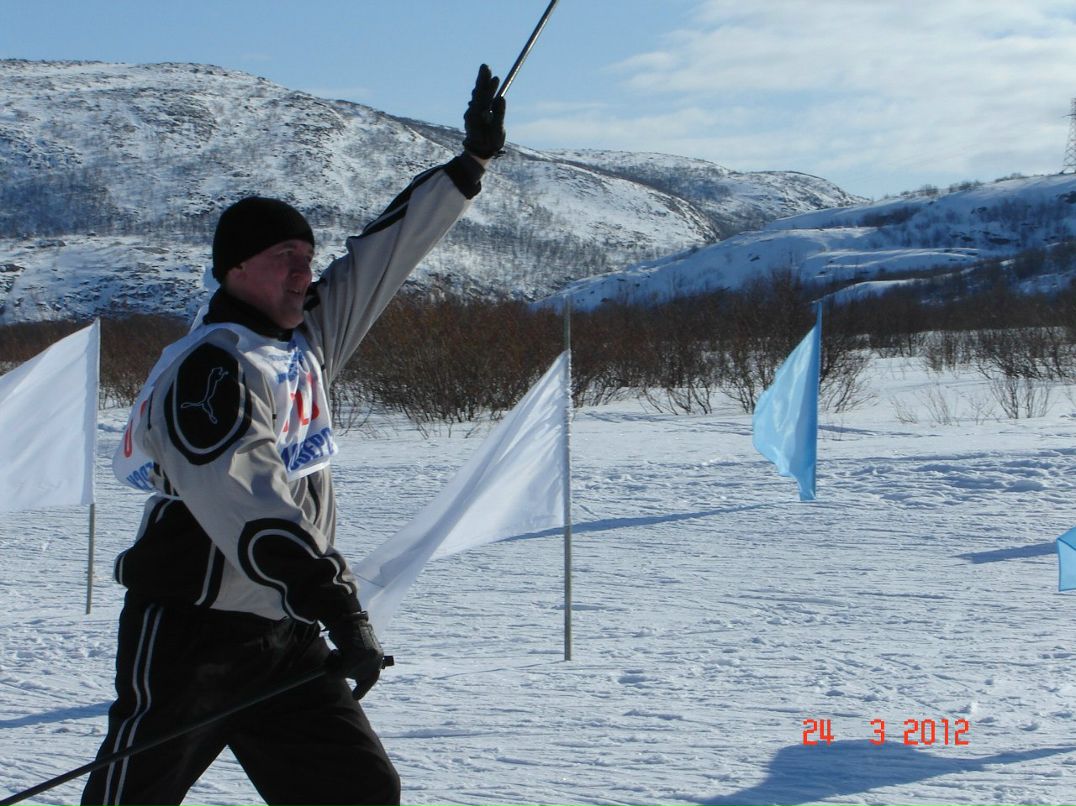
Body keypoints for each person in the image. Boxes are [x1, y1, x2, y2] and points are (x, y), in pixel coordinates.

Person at [83, 65, 507, 806]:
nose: (304, 275)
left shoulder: (302, 343)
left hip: (282, 631)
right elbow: (248, 496)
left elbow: (382, 255)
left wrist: (468, 167)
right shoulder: (210, 367)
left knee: (359, 792)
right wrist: (336, 601)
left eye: (309, 261)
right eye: (287, 260)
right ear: (236, 268)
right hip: (193, 631)